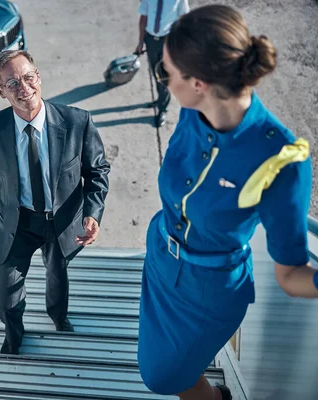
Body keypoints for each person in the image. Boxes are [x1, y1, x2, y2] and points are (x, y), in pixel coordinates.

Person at [138, 5, 315, 400]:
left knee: (162, 376)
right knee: (171, 370)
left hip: (208, 293)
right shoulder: (191, 109)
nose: (163, 80)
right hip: (160, 259)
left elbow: (291, 275)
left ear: (198, 82)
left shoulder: (281, 160)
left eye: (166, 71)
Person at [0, 50, 110, 355]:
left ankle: (59, 318)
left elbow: (98, 170)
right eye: (12, 83)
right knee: (7, 297)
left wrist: (93, 213)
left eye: (28, 77)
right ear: (1, 92)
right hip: (17, 222)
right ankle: (14, 339)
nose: (24, 87)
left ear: (38, 76)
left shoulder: (77, 121)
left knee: (57, 278)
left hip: (62, 222)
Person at [135, 0, 190, 127]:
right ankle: (160, 99)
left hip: (168, 41)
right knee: (155, 72)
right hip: (151, 40)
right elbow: (143, 17)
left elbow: (184, 18)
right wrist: (140, 41)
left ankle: (162, 109)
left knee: (164, 75)